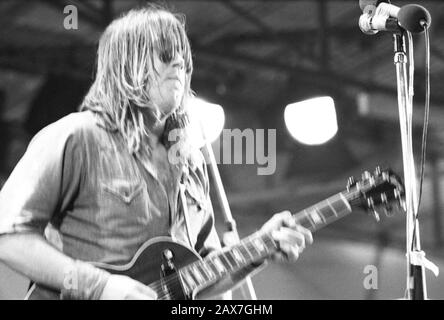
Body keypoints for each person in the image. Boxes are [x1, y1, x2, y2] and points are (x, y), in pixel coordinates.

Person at [0, 4, 313, 300]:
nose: (179, 63)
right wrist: (100, 286)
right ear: (127, 63)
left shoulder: (189, 159)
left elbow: (198, 281)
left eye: (183, 59)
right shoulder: (77, 137)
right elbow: (8, 236)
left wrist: (258, 250)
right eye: (166, 55)